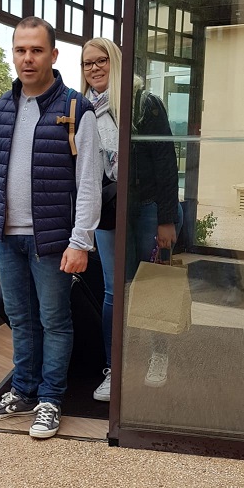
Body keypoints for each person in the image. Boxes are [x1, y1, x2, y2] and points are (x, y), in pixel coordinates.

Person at [0, 16, 103, 439]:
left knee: (54, 320)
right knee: (20, 318)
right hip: (9, 237)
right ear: (14, 54)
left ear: (53, 55)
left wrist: (80, 241)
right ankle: (24, 391)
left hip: (52, 239)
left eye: (36, 50)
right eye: (20, 50)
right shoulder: (3, 106)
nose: (27, 58)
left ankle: (50, 399)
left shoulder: (75, 109)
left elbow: (89, 182)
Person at [81, 37, 183, 402]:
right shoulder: (83, 109)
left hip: (148, 207)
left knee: (153, 285)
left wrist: (166, 219)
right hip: (111, 210)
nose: (94, 68)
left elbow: (166, 161)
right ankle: (115, 367)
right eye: (87, 63)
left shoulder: (143, 102)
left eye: (101, 60)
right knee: (114, 290)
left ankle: (158, 355)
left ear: (116, 62)